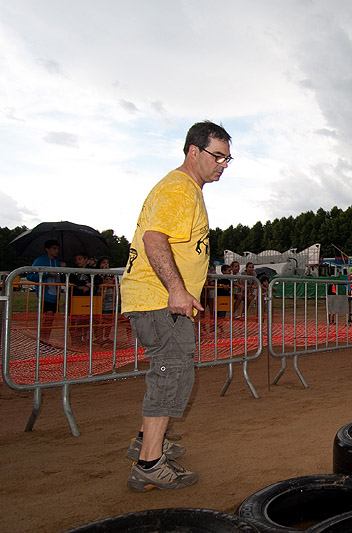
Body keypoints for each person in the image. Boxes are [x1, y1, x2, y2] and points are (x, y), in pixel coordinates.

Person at [120, 120, 232, 491]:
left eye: (228, 159)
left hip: (156, 299)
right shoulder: (180, 189)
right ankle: (149, 462)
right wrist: (176, 290)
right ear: (193, 151)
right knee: (172, 373)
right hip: (159, 300)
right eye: (217, 156)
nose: (222, 164)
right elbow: (155, 239)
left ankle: (146, 439)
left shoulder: (184, 188)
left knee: (170, 371)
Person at [26, 239, 65, 344]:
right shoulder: (40, 260)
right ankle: (43, 341)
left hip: (55, 295)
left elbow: (63, 279)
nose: (57, 251)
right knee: (48, 317)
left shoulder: (58, 262)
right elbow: (30, 275)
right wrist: (47, 273)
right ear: (47, 249)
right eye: (54, 248)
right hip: (44, 295)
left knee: (50, 320)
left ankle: (45, 340)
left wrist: (65, 271)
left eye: (58, 249)